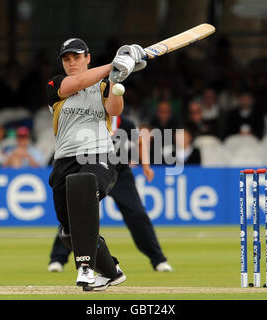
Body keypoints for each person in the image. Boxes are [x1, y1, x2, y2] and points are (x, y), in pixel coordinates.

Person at [46, 38, 146, 291]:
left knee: (83, 184)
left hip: (99, 154)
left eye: (77, 57)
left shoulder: (102, 85)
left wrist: (116, 79)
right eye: (67, 59)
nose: (71, 63)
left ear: (87, 58)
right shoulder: (56, 84)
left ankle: (86, 268)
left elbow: (114, 108)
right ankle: (111, 272)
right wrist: (117, 62)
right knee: (68, 232)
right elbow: (78, 83)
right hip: (64, 160)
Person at [47, 115, 172, 274]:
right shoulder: (91, 120)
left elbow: (139, 142)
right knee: (78, 213)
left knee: (137, 214)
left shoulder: (125, 123)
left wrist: (146, 166)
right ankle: (58, 259)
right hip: (94, 169)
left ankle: (159, 259)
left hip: (120, 174)